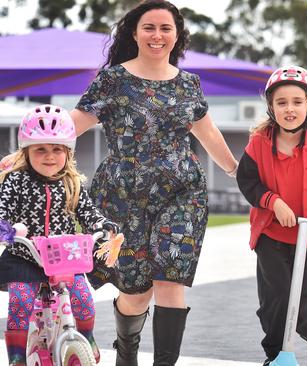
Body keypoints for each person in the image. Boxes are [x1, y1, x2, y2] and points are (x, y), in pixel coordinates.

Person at [70, 1, 239, 365]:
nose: (157, 35)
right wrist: (34, 144)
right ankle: (126, 350)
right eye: (149, 27)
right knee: (136, 290)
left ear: (176, 36)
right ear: (135, 33)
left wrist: (238, 171)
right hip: (121, 198)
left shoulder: (189, 84)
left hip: (181, 192)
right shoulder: (113, 80)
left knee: (170, 278)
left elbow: (208, 134)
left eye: (166, 28)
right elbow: (75, 123)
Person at [0, 104, 118, 365]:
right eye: (41, 149)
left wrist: (104, 227)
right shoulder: (15, 181)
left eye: (57, 148)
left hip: (64, 258)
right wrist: (1, 229)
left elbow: (88, 214)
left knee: (82, 298)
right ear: (27, 151)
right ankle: (16, 358)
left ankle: (87, 338)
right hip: (24, 257)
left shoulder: (72, 182)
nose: (49, 156)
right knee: (21, 302)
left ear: (68, 152)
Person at [235, 65, 307, 366]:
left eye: (297, 102)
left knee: (300, 298)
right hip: (271, 233)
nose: (289, 109)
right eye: (281, 102)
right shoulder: (259, 143)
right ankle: (276, 356)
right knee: (275, 300)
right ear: (271, 107)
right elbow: (247, 181)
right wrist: (273, 202)